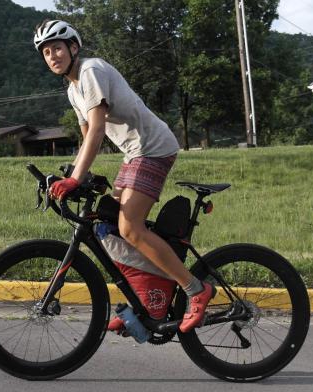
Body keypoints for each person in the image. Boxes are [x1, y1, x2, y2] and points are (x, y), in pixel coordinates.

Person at [33, 19, 215, 334]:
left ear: (73, 48)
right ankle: (149, 295)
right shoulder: (73, 91)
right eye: (46, 52)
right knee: (105, 220)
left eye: (57, 48)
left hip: (153, 148)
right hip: (135, 153)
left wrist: (75, 179)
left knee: (130, 226)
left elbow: (99, 129)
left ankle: (194, 288)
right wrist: (82, 175)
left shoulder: (91, 71)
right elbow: (88, 134)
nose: (52, 56)